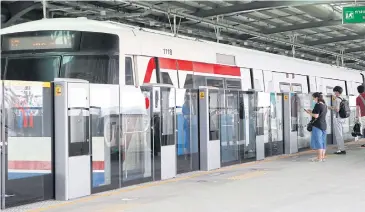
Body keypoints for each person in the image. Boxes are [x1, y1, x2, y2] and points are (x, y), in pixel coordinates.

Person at [305, 92, 328, 162]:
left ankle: (319, 158)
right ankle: (322, 157)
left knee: (319, 142)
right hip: (324, 125)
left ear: (317, 98)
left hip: (317, 126)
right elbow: (320, 113)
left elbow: (316, 116)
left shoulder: (317, 105)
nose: (313, 99)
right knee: (323, 141)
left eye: (313, 98)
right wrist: (312, 111)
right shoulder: (324, 105)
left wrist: (309, 113)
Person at [328, 86, 346, 154]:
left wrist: (330, 107)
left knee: (338, 134)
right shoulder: (342, 98)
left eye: (335, 92)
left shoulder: (337, 99)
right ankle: (342, 148)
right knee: (340, 134)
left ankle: (341, 149)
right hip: (342, 118)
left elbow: (337, 109)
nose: (334, 93)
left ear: (337, 92)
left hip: (338, 118)